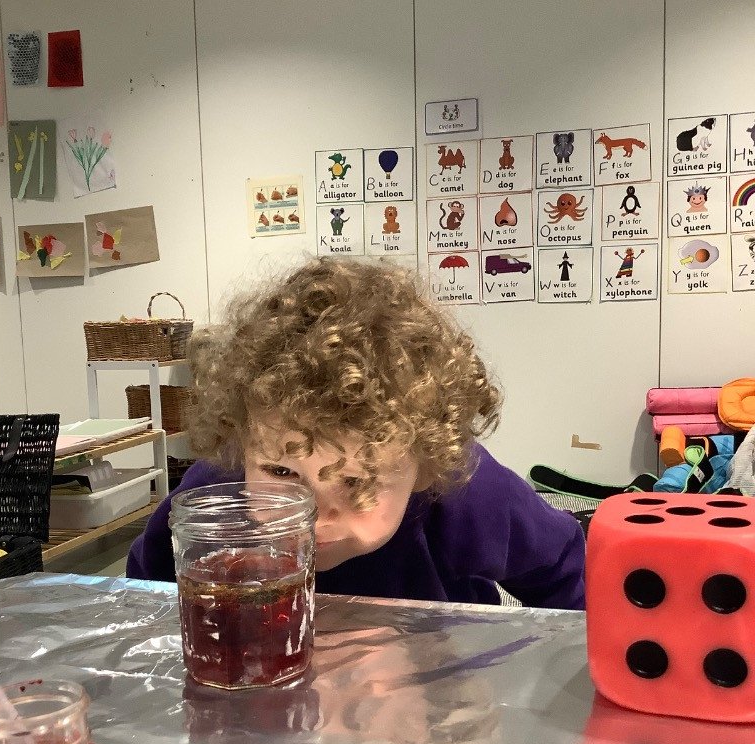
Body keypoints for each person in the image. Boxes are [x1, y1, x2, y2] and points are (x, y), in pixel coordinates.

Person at [127, 258, 584, 609]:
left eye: (356, 482)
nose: (314, 517)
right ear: (243, 439)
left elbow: (569, 571)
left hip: (434, 708)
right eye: (281, 472)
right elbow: (143, 597)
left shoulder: (469, 496)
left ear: (424, 466)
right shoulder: (216, 498)